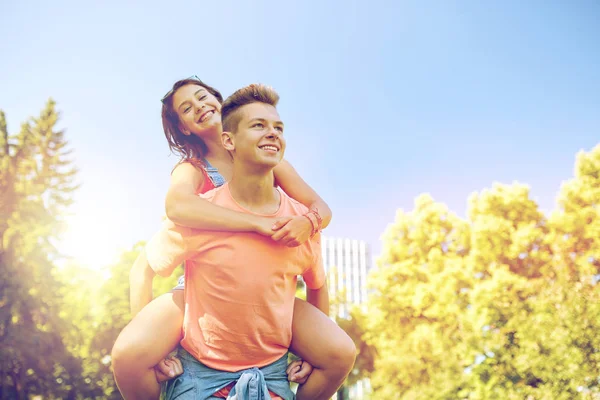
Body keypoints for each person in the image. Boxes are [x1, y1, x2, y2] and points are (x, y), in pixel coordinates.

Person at [112, 80, 356, 400]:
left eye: (203, 97)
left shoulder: (270, 157)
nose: (199, 106)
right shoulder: (193, 169)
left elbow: (320, 210)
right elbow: (176, 207)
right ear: (183, 128)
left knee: (338, 349)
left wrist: (306, 223)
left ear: (219, 101)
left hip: (269, 286)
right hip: (206, 284)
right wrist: (255, 224)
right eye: (187, 108)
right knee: (131, 353)